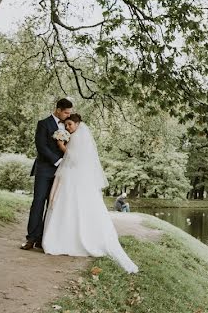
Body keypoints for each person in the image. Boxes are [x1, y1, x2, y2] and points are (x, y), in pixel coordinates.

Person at [41, 113, 138, 273]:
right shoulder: (81, 136)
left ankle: (64, 240)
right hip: (76, 175)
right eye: (66, 126)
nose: (68, 127)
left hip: (74, 175)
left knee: (69, 205)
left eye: (70, 124)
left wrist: (61, 146)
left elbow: (74, 158)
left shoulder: (78, 138)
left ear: (78, 123)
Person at [22, 98, 73, 251]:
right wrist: (57, 161)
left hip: (62, 172)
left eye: (69, 113)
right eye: (66, 112)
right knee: (38, 202)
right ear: (58, 109)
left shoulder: (68, 125)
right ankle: (31, 238)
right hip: (44, 168)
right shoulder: (43, 123)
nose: (68, 115)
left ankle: (44, 240)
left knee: (54, 205)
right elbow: (41, 146)